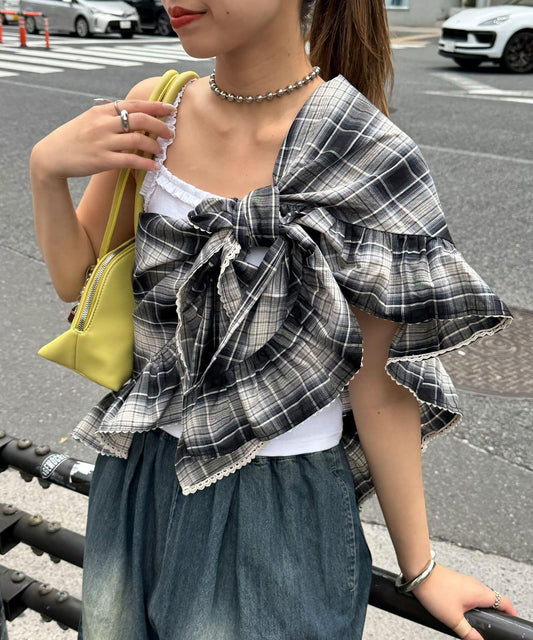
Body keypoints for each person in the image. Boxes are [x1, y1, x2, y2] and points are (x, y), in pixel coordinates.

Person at [29, 1, 519, 639]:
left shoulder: (366, 148)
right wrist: (46, 170)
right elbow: (78, 279)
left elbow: (379, 384)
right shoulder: (156, 108)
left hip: (277, 502)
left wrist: (420, 566)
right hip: (137, 470)